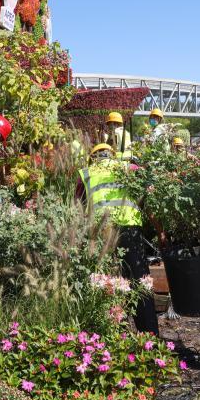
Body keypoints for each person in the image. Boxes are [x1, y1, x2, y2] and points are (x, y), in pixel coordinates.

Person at [76, 143, 159, 335]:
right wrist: (159, 230)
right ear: (113, 156)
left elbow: (77, 209)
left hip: (101, 234)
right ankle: (150, 337)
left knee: (107, 283)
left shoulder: (85, 173)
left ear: (92, 157)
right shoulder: (128, 168)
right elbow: (148, 196)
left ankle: (112, 335)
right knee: (140, 283)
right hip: (130, 230)